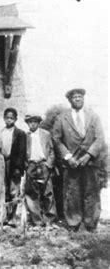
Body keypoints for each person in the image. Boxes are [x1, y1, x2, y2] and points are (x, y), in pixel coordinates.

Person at [52, 88, 105, 232]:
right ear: (69, 100)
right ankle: (73, 223)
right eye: (74, 97)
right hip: (72, 162)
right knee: (72, 193)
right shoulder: (61, 118)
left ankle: (91, 223)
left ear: (84, 98)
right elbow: (56, 140)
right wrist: (68, 157)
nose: (77, 99)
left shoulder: (93, 116)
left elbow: (100, 138)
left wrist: (89, 155)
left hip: (90, 161)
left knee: (91, 192)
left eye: (80, 96)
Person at [23, 112, 57, 229]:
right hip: (31, 166)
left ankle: (49, 220)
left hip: (43, 165)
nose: (32, 124)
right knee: (32, 193)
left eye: (35, 122)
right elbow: (23, 153)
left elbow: (52, 151)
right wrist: (27, 166)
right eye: (30, 122)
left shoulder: (45, 134)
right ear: (27, 123)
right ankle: (37, 221)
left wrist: (48, 164)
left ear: (38, 123)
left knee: (47, 192)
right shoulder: (25, 136)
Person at [1, 108, 27, 226]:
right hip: (4, 162)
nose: (9, 120)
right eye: (7, 118)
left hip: (14, 164)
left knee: (14, 190)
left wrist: (18, 168)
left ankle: (13, 216)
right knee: (5, 190)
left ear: (16, 119)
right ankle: (6, 215)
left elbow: (21, 152)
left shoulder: (20, 133)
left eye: (12, 118)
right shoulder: (2, 131)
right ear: (4, 118)